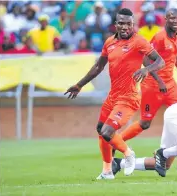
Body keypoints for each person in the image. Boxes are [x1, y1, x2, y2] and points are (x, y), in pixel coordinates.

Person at [65, 8, 165, 179]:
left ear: (133, 24)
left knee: (106, 132)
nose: (125, 27)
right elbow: (98, 66)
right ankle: (107, 171)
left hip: (129, 97)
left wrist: (146, 70)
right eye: (121, 23)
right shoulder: (109, 42)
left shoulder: (139, 41)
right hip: (113, 96)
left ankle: (128, 153)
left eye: (128, 23)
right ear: (116, 24)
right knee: (100, 130)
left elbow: (160, 61)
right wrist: (79, 85)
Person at [116, 8, 177, 170]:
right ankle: (116, 142)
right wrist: (159, 80)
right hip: (152, 86)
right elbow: (146, 60)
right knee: (145, 123)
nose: (176, 21)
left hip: (171, 85)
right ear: (165, 19)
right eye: (172, 18)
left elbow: (175, 57)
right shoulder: (160, 37)